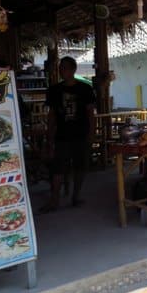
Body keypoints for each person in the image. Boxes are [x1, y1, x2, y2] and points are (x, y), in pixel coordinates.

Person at [42, 56, 96, 212]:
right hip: (61, 135)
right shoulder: (54, 90)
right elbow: (51, 115)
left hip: (81, 134)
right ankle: (54, 200)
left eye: (64, 67)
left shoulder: (85, 89)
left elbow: (91, 113)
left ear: (73, 70)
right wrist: (49, 135)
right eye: (60, 67)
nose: (61, 70)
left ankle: (76, 196)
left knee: (80, 167)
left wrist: (91, 134)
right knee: (57, 168)